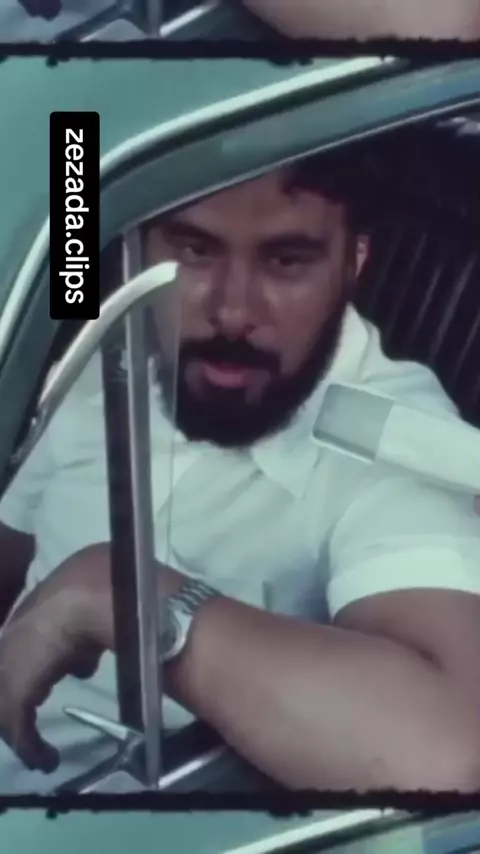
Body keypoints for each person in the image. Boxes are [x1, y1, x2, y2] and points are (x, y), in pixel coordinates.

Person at [0, 154, 480, 794]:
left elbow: (450, 751)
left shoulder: (397, 444)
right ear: (140, 249)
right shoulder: (107, 351)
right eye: (194, 250)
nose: (232, 312)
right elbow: (10, 551)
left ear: (354, 262)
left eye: (286, 261)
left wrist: (123, 595)